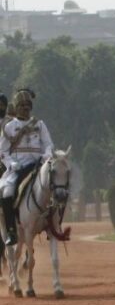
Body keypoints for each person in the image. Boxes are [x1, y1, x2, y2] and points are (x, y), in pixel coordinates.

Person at [1, 89, 55, 245]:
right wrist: (11, 164)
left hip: (38, 165)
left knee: (57, 186)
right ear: (16, 107)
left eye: (28, 105)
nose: (26, 108)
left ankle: (54, 224)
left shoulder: (40, 124)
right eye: (22, 105)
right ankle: (11, 231)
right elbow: (2, 151)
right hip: (18, 168)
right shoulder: (10, 127)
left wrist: (47, 156)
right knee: (6, 192)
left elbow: (48, 144)